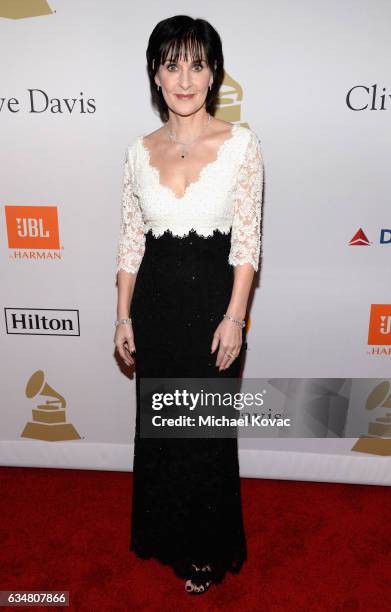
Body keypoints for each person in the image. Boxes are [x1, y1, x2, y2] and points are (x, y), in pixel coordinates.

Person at [114, 15, 264, 595]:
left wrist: (235, 317)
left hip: (212, 308)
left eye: (196, 64)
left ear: (213, 74)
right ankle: (169, 534)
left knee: (203, 433)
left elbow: (247, 242)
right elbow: (131, 241)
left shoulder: (242, 145)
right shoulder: (136, 151)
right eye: (172, 64)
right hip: (154, 306)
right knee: (162, 430)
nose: (184, 78)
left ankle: (206, 547)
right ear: (155, 73)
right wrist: (124, 316)